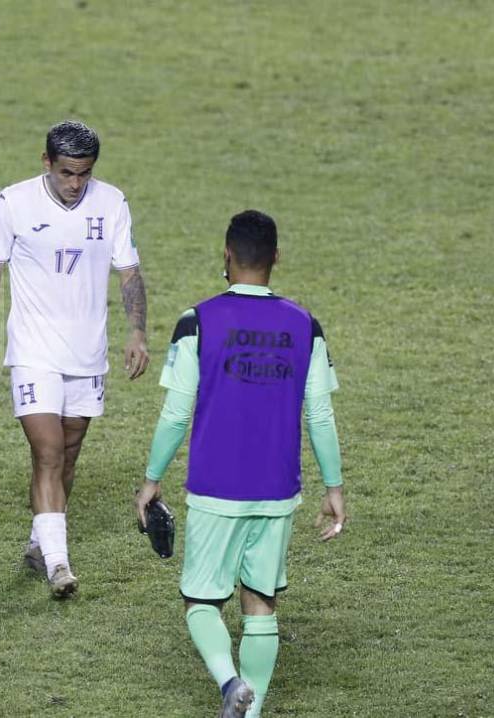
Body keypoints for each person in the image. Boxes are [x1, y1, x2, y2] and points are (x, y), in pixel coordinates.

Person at [135, 210, 347, 717]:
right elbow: (319, 412)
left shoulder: (198, 321)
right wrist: (334, 486)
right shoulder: (305, 325)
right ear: (276, 258)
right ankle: (249, 714)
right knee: (261, 604)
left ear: (226, 255)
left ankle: (230, 683)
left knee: (202, 602)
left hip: (215, 486)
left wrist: (151, 479)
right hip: (277, 489)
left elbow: (176, 412)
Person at [0, 120, 149, 598]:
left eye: (84, 174)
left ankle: (39, 542)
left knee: (67, 456)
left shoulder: (111, 203)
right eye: (67, 173)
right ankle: (58, 566)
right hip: (33, 352)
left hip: (87, 355)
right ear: (46, 162)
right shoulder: (13, 203)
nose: (75, 184)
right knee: (47, 451)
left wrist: (136, 332)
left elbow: (129, 272)